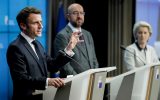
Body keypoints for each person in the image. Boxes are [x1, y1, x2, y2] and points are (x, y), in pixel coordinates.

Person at [6, 7, 81, 100]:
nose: (41, 26)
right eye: (36, 23)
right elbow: (21, 80)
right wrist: (48, 81)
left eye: (41, 22)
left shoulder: (37, 44)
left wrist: (69, 48)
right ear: (23, 25)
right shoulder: (15, 48)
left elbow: (53, 66)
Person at [54, 3, 99, 78]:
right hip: (74, 83)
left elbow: (94, 59)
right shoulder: (62, 36)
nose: (79, 16)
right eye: (75, 13)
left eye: (81, 13)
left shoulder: (88, 34)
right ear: (68, 17)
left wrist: (95, 75)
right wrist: (78, 79)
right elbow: (64, 65)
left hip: (91, 81)